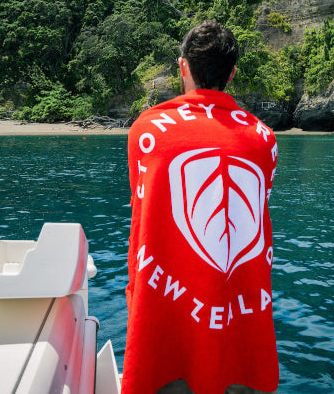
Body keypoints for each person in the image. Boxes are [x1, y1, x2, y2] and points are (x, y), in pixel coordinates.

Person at [122, 20, 279, 394]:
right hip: (239, 336)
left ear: (183, 67)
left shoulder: (146, 131)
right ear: (233, 73)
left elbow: (144, 209)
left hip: (164, 328)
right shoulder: (263, 139)